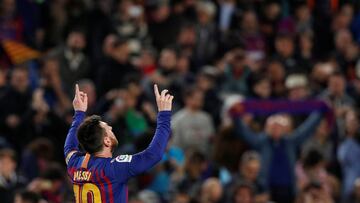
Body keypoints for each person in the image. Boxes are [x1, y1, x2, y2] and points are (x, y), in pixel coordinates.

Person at [64, 84, 173, 202]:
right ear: (106, 141)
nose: (110, 127)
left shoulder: (74, 163)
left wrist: (79, 113)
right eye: (107, 128)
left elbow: (69, 147)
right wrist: (164, 115)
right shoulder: (114, 168)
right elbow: (153, 155)